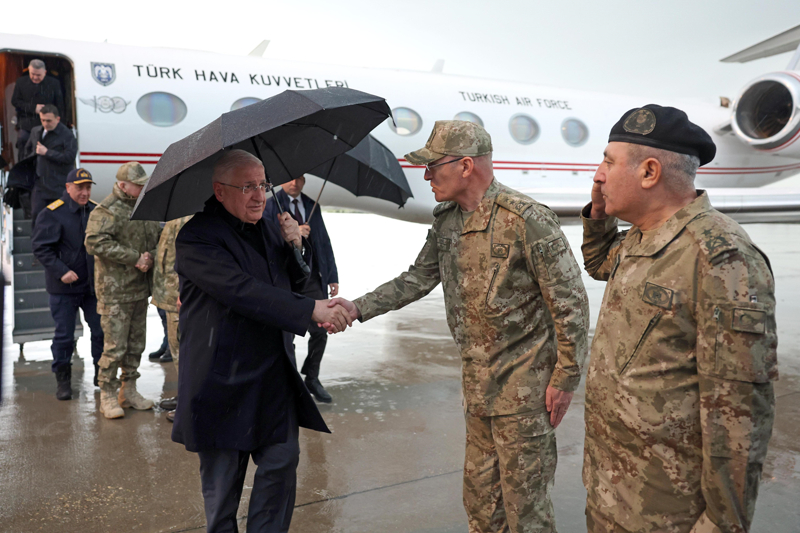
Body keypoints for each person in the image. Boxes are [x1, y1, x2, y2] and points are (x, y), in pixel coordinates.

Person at [328, 121, 590, 533]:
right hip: (478, 389)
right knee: (482, 505)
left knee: (526, 512)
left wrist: (565, 379)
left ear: (466, 166)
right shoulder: (447, 221)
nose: (426, 176)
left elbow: (570, 304)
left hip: (525, 392)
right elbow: (417, 278)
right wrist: (357, 307)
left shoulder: (527, 220)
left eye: (433, 166)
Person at [581, 104, 778, 532]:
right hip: (613, 493)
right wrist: (598, 216)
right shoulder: (641, 236)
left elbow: (738, 415)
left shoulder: (720, 258)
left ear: (649, 172)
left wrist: (721, 524)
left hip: (668, 514)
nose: (598, 175)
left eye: (609, 163)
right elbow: (599, 264)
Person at [172, 149, 353, 533]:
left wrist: (295, 246)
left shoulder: (272, 226)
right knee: (223, 493)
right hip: (221, 381)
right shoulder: (197, 238)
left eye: (262, 185)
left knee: (281, 465)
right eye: (247, 187)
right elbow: (242, 291)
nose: (259, 196)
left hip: (271, 375)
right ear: (220, 191)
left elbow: (299, 284)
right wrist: (310, 311)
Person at [84, 162, 162, 419]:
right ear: (122, 185)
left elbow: (157, 238)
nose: (142, 189)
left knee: (136, 345)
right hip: (115, 293)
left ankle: (129, 390)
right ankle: (107, 394)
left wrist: (151, 257)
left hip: (139, 289)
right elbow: (94, 242)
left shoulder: (145, 208)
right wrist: (134, 258)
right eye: (138, 185)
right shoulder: (107, 210)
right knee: (114, 347)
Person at [264, 174, 339, 403]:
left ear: (304, 181)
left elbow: (324, 241)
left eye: (298, 179)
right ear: (281, 181)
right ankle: (292, 383)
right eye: (289, 179)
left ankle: (312, 377)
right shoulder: (270, 205)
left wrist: (332, 276)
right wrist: (294, 236)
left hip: (312, 278)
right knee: (287, 334)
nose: (294, 183)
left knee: (321, 330)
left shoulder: (312, 204)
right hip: (285, 279)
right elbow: (267, 241)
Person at [31, 168, 103, 400]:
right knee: (64, 336)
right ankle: (63, 380)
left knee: (101, 331)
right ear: (68, 187)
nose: (85, 193)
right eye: (80, 188)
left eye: (88, 188)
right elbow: (41, 248)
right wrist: (62, 271)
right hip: (64, 289)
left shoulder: (95, 211)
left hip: (91, 287)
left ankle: (101, 374)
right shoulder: (52, 213)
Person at [151, 215, 193, 422]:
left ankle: (189, 404)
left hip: (180, 296)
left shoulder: (190, 218)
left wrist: (183, 292)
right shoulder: (178, 216)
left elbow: (190, 259)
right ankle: (184, 396)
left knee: (185, 352)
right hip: (169, 296)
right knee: (178, 350)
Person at [23, 104, 77, 228]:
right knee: (37, 217)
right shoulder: (36, 131)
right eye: (42, 120)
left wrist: (47, 152)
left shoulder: (66, 135)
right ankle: (36, 240)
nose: (45, 123)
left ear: (57, 119)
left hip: (58, 186)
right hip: (40, 184)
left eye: (49, 121)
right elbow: (28, 150)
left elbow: (69, 157)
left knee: (58, 219)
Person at [11, 59, 65, 154]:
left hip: (47, 124)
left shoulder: (54, 83)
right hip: (27, 122)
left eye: (39, 75)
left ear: (45, 72)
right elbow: (15, 101)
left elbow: (60, 106)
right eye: (32, 74)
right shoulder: (21, 82)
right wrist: (33, 108)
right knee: (22, 141)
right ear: (29, 70)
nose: (35, 77)